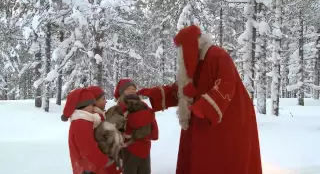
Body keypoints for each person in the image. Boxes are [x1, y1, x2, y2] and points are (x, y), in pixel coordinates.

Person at [137, 25, 263, 174]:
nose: (181, 53)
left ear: (191, 45)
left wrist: (205, 106)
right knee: (200, 159)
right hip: (201, 119)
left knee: (219, 162)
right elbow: (185, 88)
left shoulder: (217, 55)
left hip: (225, 122)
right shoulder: (195, 63)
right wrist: (158, 94)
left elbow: (227, 83)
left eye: (183, 48)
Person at [60, 88, 113, 174]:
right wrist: (104, 161)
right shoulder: (80, 122)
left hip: (90, 166)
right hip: (88, 168)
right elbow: (88, 149)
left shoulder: (87, 120)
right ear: (84, 106)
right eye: (92, 105)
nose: (93, 107)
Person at [114, 79, 159, 174]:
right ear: (122, 93)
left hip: (145, 147)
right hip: (129, 149)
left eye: (133, 88)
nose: (131, 90)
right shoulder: (120, 108)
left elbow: (152, 124)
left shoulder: (144, 105)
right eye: (128, 89)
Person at [87, 86, 123, 174]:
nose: (106, 101)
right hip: (103, 161)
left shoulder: (100, 114)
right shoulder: (95, 117)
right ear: (94, 101)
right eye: (103, 99)